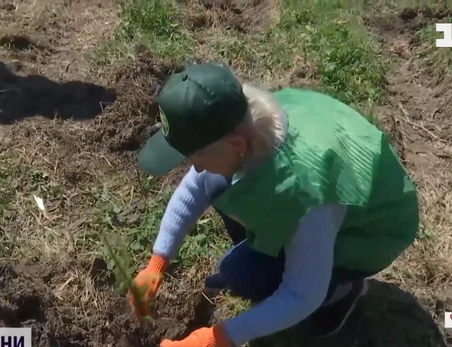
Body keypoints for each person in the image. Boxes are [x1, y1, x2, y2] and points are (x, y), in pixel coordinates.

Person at [128, 62, 419, 347]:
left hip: (369, 232)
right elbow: (195, 186)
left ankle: (341, 290)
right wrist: (157, 263)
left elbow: (302, 295)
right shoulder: (249, 120)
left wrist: (216, 338)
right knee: (215, 183)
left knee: (242, 275)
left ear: (236, 146)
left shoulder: (304, 194)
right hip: (326, 202)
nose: (195, 167)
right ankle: (277, 255)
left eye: (195, 158)